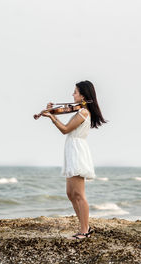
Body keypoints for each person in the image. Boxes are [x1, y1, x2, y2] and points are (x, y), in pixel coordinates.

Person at [42, 80, 107, 239]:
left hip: (77, 151)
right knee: (70, 193)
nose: (72, 94)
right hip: (72, 150)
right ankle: (84, 227)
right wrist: (52, 111)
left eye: (75, 92)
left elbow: (65, 129)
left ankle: (86, 230)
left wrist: (51, 117)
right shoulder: (80, 111)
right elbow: (66, 125)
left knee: (79, 193)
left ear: (83, 95)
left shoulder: (83, 113)